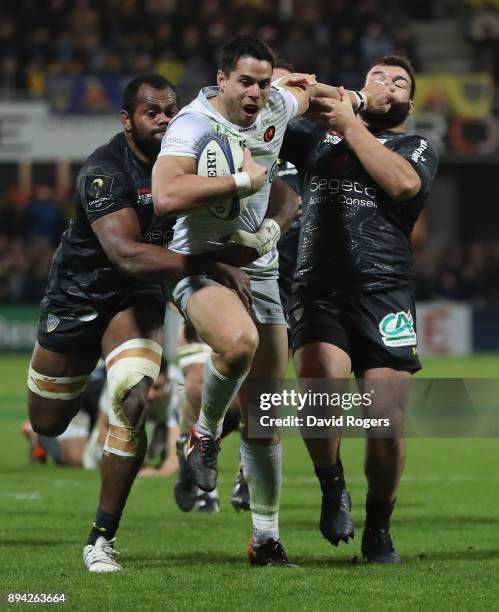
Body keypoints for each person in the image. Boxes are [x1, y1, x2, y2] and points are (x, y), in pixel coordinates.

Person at [152, 35, 392, 565]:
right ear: (221, 80)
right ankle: (205, 435)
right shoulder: (193, 126)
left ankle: (265, 540)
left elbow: (316, 95)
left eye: (264, 82)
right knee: (237, 345)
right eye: (246, 82)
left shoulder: (279, 102)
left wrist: (353, 96)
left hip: (260, 271)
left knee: (264, 415)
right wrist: (242, 180)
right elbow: (167, 195)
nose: (257, 92)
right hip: (202, 265)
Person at [27, 73, 252, 573]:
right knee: (49, 421)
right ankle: (40, 435)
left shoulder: (189, 163)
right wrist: (212, 262)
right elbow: (126, 254)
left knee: (132, 395)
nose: (166, 119)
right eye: (153, 112)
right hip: (79, 297)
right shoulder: (105, 171)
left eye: (171, 109)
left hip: (137, 299)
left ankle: (101, 538)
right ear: (126, 120)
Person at [282, 55, 439, 563]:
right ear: (359, 87)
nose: (386, 83)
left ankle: (379, 527)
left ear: (408, 105)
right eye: (377, 76)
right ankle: (332, 487)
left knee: (385, 424)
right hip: (318, 288)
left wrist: (350, 120)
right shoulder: (311, 140)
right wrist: (311, 89)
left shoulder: (414, 147)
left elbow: (401, 185)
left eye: (398, 82)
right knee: (319, 393)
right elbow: (266, 104)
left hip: (384, 290)